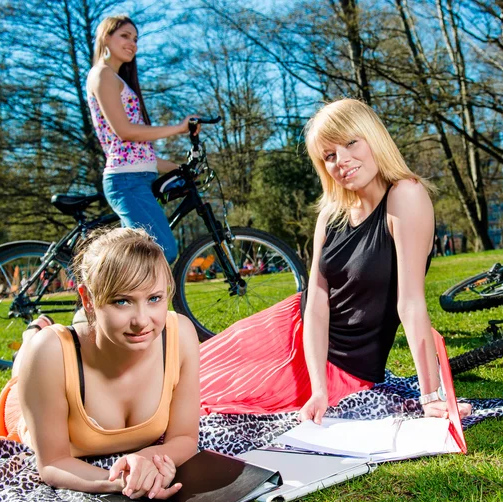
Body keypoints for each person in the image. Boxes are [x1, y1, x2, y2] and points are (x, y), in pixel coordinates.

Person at [198, 98, 471, 423]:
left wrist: (431, 395)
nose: (341, 160)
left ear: (374, 137)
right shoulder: (330, 215)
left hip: (347, 367)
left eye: (351, 142)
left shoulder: (405, 195)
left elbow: (410, 303)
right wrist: (318, 388)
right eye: (329, 155)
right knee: (182, 377)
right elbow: (315, 303)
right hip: (288, 332)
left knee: (201, 403)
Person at [0, 227, 200, 500]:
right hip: (34, 388)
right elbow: (52, 463)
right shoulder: (49, 354)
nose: (142, 320)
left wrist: (145, 461)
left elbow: (186, 438)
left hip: (93, 345)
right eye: (122, 301)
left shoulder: (180, 335)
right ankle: (33, 330)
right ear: (88, 299)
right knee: (27, 356)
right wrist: (123, 481)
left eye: (154, 299)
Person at [86, 15, 199, 264]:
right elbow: (125, 131)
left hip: (135, 177)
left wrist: (181, 169)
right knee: (161, 252)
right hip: (126, 180)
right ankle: (109, 291)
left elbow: (138, 152)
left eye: (135, 39)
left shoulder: (117, 80)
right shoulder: (102, 75)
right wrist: (178, 128)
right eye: (125, 36)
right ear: (106, 37)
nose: (132, 43)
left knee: (152, 254)